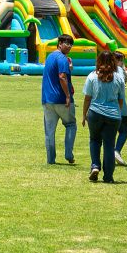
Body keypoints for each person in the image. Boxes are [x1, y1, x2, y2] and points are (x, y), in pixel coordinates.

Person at [82, 51, 125, 183]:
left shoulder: (92, 76)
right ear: (113, 61)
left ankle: (95, 166)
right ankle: (108, 177)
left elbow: (87, 98)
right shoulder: (119, 77)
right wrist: (118, 113)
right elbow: (121, 99)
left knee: (94, 140)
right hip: (113, 115)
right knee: (109, 145)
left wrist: (84, 115)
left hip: (95, 113)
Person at [41, 34, 76, 165]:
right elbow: (62, 77)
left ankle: (51, 159)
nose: (70, 46)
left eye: (71, 44)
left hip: (47, 100)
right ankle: (68, 154)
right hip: (62, 99)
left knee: (49, 131)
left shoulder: (50, 56)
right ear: (60, 43)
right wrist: (67, 95)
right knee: (71, 124)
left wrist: (69, 67)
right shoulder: (62, 58)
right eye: (67, 43)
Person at [113, 51, 127, 166]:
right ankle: (116, 150)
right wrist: (124, 69)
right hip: (120, 106)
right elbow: (126, 80)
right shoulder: (120, 71)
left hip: (103, 106)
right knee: (124, 131)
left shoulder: (101, 70)